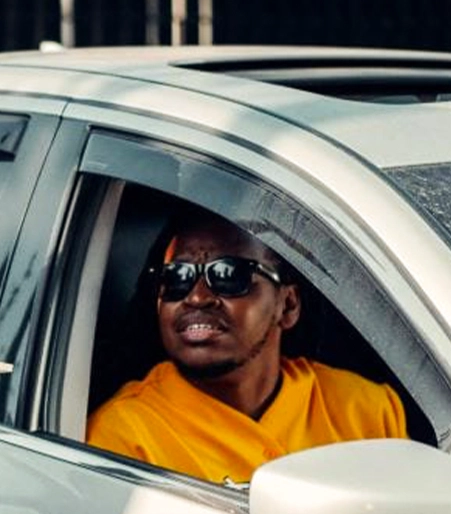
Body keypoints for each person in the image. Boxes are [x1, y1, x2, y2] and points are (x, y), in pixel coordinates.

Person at [86, 204, 406, 487]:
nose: (196, 297)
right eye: (177, 277)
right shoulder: (125, 436)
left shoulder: (367, 411)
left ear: (288, 304)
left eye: (229, 275)